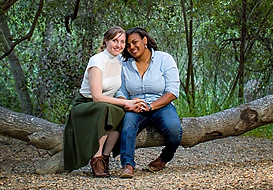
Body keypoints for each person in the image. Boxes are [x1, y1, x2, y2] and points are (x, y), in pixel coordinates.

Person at [63, 26, 145, 177]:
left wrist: (129, 103)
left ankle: (105, 157)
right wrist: (127, 103)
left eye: (122, 42)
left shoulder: (120, 60)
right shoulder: (97, 60)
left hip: (106, 104)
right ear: (106, 40)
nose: (118, 45)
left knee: (120, 112)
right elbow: (97, 97)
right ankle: (96, 158)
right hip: (86, 105)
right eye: (115, 40)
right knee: (106, 109)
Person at [117, 27, 183, 178]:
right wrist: (128, 103)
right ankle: (127, 165)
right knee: (127, 126)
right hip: (135, 106)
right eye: (128, 45)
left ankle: (164, 158)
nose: (132, 47)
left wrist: (151, 106)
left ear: (145, 40)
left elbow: (172, 91)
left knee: (174, 130)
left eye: (135, 42)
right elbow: (121, 91)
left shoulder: (164, 59)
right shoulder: (124, 64)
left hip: (161, 105)